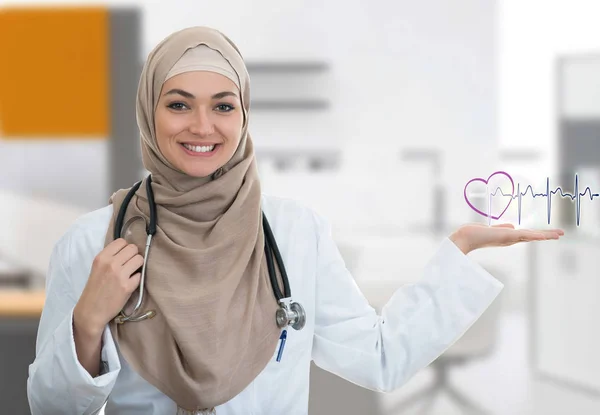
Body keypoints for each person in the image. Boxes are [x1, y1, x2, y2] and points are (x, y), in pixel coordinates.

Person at [26, 26, 563, 415]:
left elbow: (378, 359)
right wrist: (87, 325)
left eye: (224, 105)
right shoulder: (92, 243)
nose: (203, 126)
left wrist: (460, 252)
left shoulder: (294, 234)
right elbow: (50, 407)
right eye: (179, 104)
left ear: (244, 115)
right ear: (149, 112)